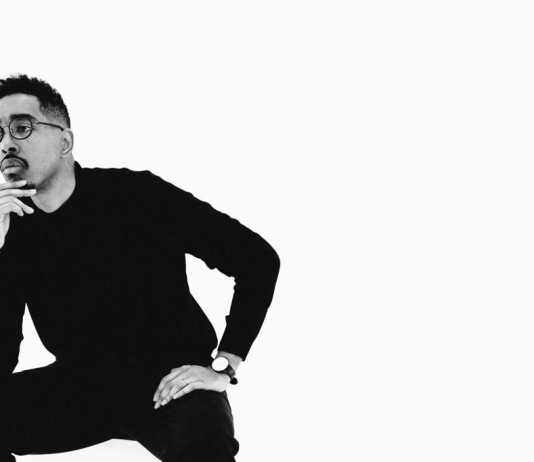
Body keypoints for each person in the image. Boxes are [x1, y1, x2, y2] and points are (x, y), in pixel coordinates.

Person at [0, 74, 280, 462]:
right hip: (80, 386)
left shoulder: (136, 195)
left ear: (65, 141)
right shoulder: (12, 229)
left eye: (21, 127)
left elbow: (256, 259)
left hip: (170, 380)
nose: (6, 144)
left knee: (206, 449)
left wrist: (224, 364)